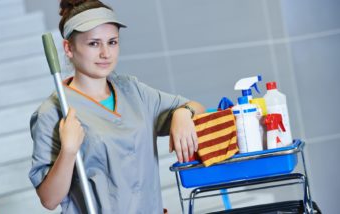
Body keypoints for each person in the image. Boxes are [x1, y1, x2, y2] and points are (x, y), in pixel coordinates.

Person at [28, 0, 206, 213]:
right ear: (69, 48)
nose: (106, 53)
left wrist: (183, 113)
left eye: (112, 42)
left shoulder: (133, 90)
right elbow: (49, 199)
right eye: (94, 43)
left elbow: (196, 107)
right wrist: (68, 151)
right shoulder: (53, 112)